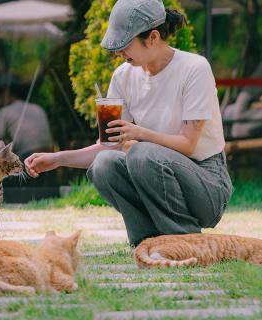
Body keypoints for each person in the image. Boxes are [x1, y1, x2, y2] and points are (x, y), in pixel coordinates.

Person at [25, 0, 233, 247]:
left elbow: (188, 145)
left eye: (126, 45)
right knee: (105, 164)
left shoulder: (194, 69)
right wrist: (57, 159)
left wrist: (139, 133)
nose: (119, 53)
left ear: (153, 37)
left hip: (207, 183)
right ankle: (146, 240)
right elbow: (108, 146)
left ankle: (184, 240)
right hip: (157, 171)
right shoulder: (123, 76)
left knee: (141, 152)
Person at [0, 77, 53, 162]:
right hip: (50, 156)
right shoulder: (37, 108)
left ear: (4, 93)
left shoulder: (3, 112)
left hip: (29, 158)